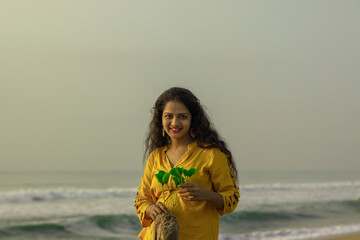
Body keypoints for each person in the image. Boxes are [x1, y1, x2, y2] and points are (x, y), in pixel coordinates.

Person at [134, 87, 239, 240]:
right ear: (161, 119)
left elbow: (232, 198)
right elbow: (141, 199)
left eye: (182, 116)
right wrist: (150, 209)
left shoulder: (211, 154)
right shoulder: (155, 156)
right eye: (168, 116)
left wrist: (206, 195)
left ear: (192, 119)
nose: (174, 123)